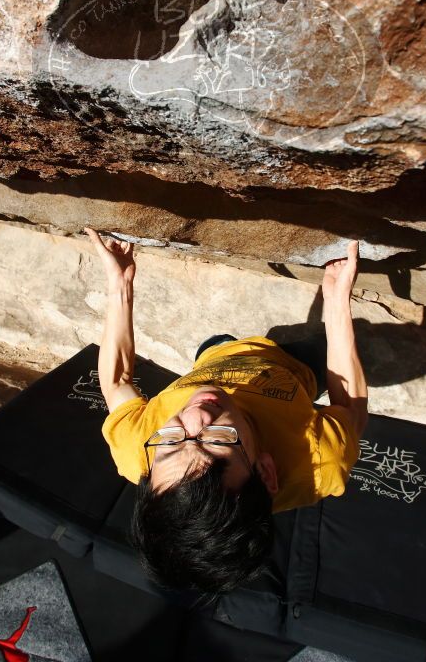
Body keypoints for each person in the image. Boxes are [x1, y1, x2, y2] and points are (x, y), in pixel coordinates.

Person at [85, 228, 368, 594]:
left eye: (171, 441)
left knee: (217, 343)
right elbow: (349, 408)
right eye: (217, 441)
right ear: (267, 472)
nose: (195, 417)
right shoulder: (318, 462)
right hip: (294, 370)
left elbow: (117, 381)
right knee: (321, 351)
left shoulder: (136, 451)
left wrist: (119, 282)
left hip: (214, 357)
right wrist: (336, 300)